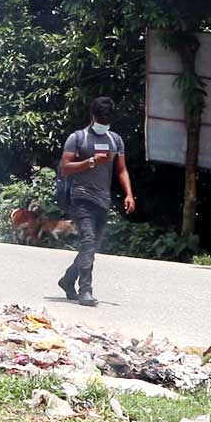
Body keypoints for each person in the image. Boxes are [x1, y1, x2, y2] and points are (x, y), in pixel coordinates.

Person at [57, 96, 135, 307]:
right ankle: (86, 290)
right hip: (80, 198)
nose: (104, 123)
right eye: (101, 118)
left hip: (103, 200)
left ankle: (67, 280)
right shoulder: (77, 138)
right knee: (88, 242)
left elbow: (121, 169)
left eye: (107, 119)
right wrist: (91, 161)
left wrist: (128, 194)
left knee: (90, 248)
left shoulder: (115, 140)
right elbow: (65, 167)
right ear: (92, 117)